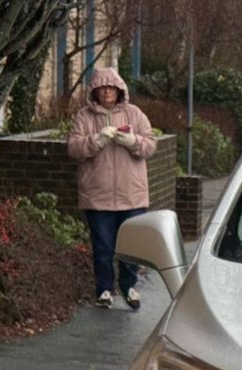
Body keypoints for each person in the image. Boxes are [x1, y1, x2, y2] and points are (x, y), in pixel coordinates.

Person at [67, 67, 156, 310]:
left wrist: (133, 141)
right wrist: (97, 140)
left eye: (111, 88)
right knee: (103, 248)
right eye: (101, 88)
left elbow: (150, 145)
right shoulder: (84, 117)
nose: (106, 92)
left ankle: (129, 287)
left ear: (119, 90)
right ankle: (104, 289)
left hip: (132, 195)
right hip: (98, 196)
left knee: (131, 247)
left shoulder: (135, 114)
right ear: (94, 91)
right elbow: (73, 149)